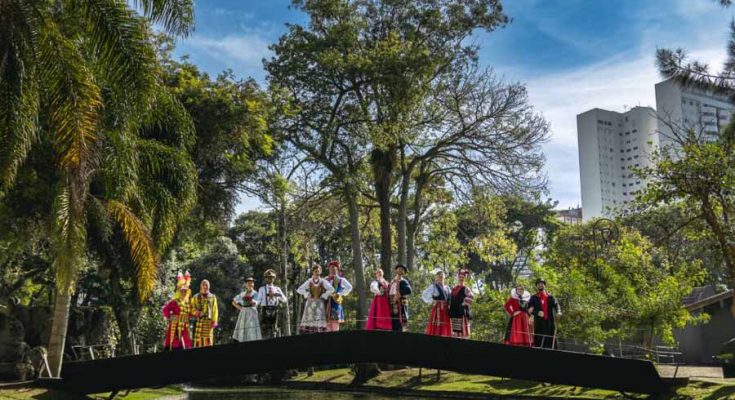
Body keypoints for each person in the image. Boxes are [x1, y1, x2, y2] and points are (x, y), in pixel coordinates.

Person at [296, 264, 335, 334]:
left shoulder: (322, 281)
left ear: (320, 272)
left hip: (319, 304)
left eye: (318, 271)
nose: (317, 273)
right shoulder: (309, 281)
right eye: (315, 271)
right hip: (310, 304)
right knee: (309, 320)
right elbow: (299, 289)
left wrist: (324, 295)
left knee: (319, 320)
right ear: (313, 272)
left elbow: (331, 289)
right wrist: (307, 294)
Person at [527, 278, 562, 349]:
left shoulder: (550, 296)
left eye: (542, 284)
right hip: (539, 323)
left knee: (550, 340)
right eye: (539, 284)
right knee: (539, 340)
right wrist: (536, 312)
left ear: (544, 285)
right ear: (536, 286)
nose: (540, 285)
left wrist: (558, 311)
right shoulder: (533, 297)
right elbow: (528, 309)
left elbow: (557, 305)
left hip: (549, 322)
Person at [162, 271, 192, 350]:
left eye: (185, 291)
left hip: (185, 327)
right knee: (174, 345)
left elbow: (191, 313)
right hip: (175, 327)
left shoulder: (187, 303)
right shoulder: (175, 302)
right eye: (182, 291)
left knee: (185, 345)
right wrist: (170, 317)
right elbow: (165, 309)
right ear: (179, 291)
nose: (184, 292)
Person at [257, 269, 287, 339]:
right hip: (265, 310)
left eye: (272, 277)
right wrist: (254, 305)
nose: (270, 279)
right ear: (266, 278)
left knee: (274, 329)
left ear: (274, 278)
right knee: (264, 328)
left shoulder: (277, 289)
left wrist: (277, 295)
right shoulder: (262, 289)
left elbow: (285, 300)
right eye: (268, 277)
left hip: (274, 310)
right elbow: (258, 300)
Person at [324, 260, 353, 332]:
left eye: (334, 268)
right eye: (331, 268)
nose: (332, 269)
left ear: (337, 269)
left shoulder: (341, 280)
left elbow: (349, 287)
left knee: (335, 325)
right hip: (326, 303)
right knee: (326, 325)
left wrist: (340, 294)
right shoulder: (325, 279)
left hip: (335, 303)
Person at [421, 269, 451, 337]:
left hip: (446, 310)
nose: (441, 277)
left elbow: (450, 298)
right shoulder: (434, 286)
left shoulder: (447, 288)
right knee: (436, 325)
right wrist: (432, 301)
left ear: (444, 277)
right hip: (437, 309)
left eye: (442, 276)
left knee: (445, 325)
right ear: (436, 277)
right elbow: (424, 295)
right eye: (439, 276)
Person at [190, 279, 219, 347]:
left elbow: (215, 310)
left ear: (209, 287)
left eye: (207, 285)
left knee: (208, 341)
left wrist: (214, 321)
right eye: (203, 285)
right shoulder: (195, 297)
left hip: (208, 323)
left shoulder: (212, 297)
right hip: (199, 322)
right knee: (198, 342)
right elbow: (191, 309)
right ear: (201, 286)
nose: (205, 287)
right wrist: (196, 312)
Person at [232, 277, 262, 342]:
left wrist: (250, 300)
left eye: (251, 283)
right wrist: (240, 308)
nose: (250, 284)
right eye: (248, 283)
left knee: (251, 331)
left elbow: (256, 303)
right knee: (242, 330)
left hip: (252, 313)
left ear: (253, 284)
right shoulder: (242, 293)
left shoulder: (255, 293)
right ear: (246, 284)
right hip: (243, 313)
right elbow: (234, 302)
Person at [449, 269, 474, 339]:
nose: (461, 279)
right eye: (460, 277)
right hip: (454, 312)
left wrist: (463, 303)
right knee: (455, 333)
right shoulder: (454, 288)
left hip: (461, 312)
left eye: (462, 277)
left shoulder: (466, 288)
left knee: (463, 333)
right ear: (458, 278)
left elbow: (471, 297)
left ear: (465, 278)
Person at [389, 264, 412, 332]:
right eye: (398, 269)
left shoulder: (403, 281)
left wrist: (399, 293)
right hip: (391, 304)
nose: (399, 270)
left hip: (400, 304)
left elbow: (409, 290)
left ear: (403, 273)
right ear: (395, 270)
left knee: (400, 321)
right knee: (392, 321)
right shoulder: (392, 281)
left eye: (401, 269)